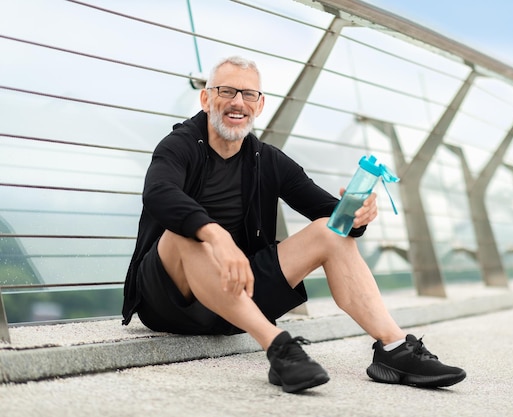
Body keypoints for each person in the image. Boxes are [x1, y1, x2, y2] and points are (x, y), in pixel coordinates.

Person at [122, 55, 466, 393]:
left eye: (248, 94)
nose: (237, 102)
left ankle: (394, 350)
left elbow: (328, 212)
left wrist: (356, 214)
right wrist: (216, 236)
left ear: (259, 105)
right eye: (226, 91)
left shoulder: (267, 159)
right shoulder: (180, 146)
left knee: (332, 231)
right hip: (171, 301)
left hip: (238, 294)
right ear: (206, 97)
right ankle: (279, 347)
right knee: (185, 234)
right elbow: (159, 193)